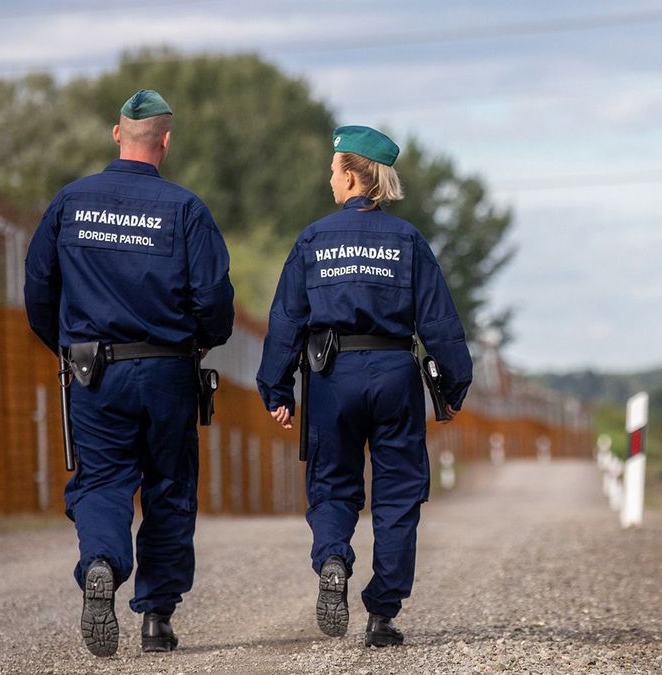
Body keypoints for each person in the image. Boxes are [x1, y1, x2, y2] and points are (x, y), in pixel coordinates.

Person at [24, 89, 235, 657]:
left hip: (94, 371)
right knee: (169, 487)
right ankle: (157, 619)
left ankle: (100, 563)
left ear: (118, 135)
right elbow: (214, 299)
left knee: (102, 481)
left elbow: (38, 290)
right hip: (168, 372)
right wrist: (201, 341)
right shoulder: (187, 209)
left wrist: (68, 349)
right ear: (165, 143)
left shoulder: (70, 202)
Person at [256, 125, 472, 647]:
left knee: (333, 483)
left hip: (333, 376)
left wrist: (276, 388)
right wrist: (456, 383)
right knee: (397, 493)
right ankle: (382, 614)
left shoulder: (313, 238)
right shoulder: (409, 240)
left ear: (353, 176)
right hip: (396, 374)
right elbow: (439, 322)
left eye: (333, 170)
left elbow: (286, 320)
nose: (330, 180)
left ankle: (333, 556)